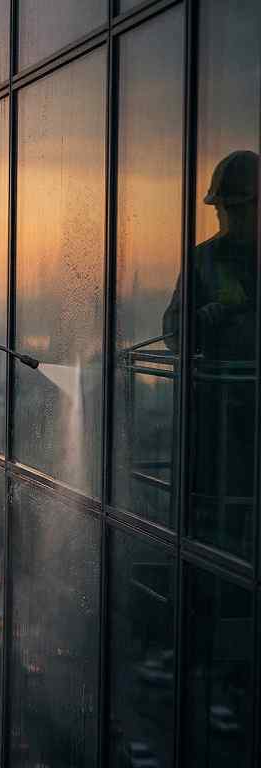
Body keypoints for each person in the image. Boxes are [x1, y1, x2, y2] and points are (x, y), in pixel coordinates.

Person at [162, 149, 258, 551]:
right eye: (224, 211)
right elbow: (172, 331)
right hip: (221, 414)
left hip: (242, 407)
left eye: (234, 210)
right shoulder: (203, 261)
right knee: (224, 518)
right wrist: (200, 318)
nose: (227, 219)